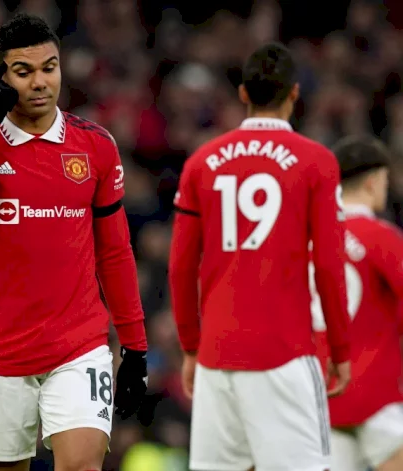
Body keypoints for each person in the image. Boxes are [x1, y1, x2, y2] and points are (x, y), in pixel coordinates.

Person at [0, 13, 148, 471]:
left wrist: (134, 344)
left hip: (79, 347)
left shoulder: (94, 146)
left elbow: (114, 251)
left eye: (49, 68)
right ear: (0, 77)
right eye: (24, 71)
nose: (39, 82)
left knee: (82, 464)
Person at [168, 42, 352, 471]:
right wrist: (340, 350)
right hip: (284, 355)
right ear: (294, 94)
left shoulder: (201, 162)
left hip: (216, 357)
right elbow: (328, 264)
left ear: (243, 94)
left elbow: (179, 267)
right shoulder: (317, 163)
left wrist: (191, 347)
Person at [310, 136, 403, 471]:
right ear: (373, 180)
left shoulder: (307, 240)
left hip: (321, 397)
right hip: (376, 392)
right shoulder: (380, 237)